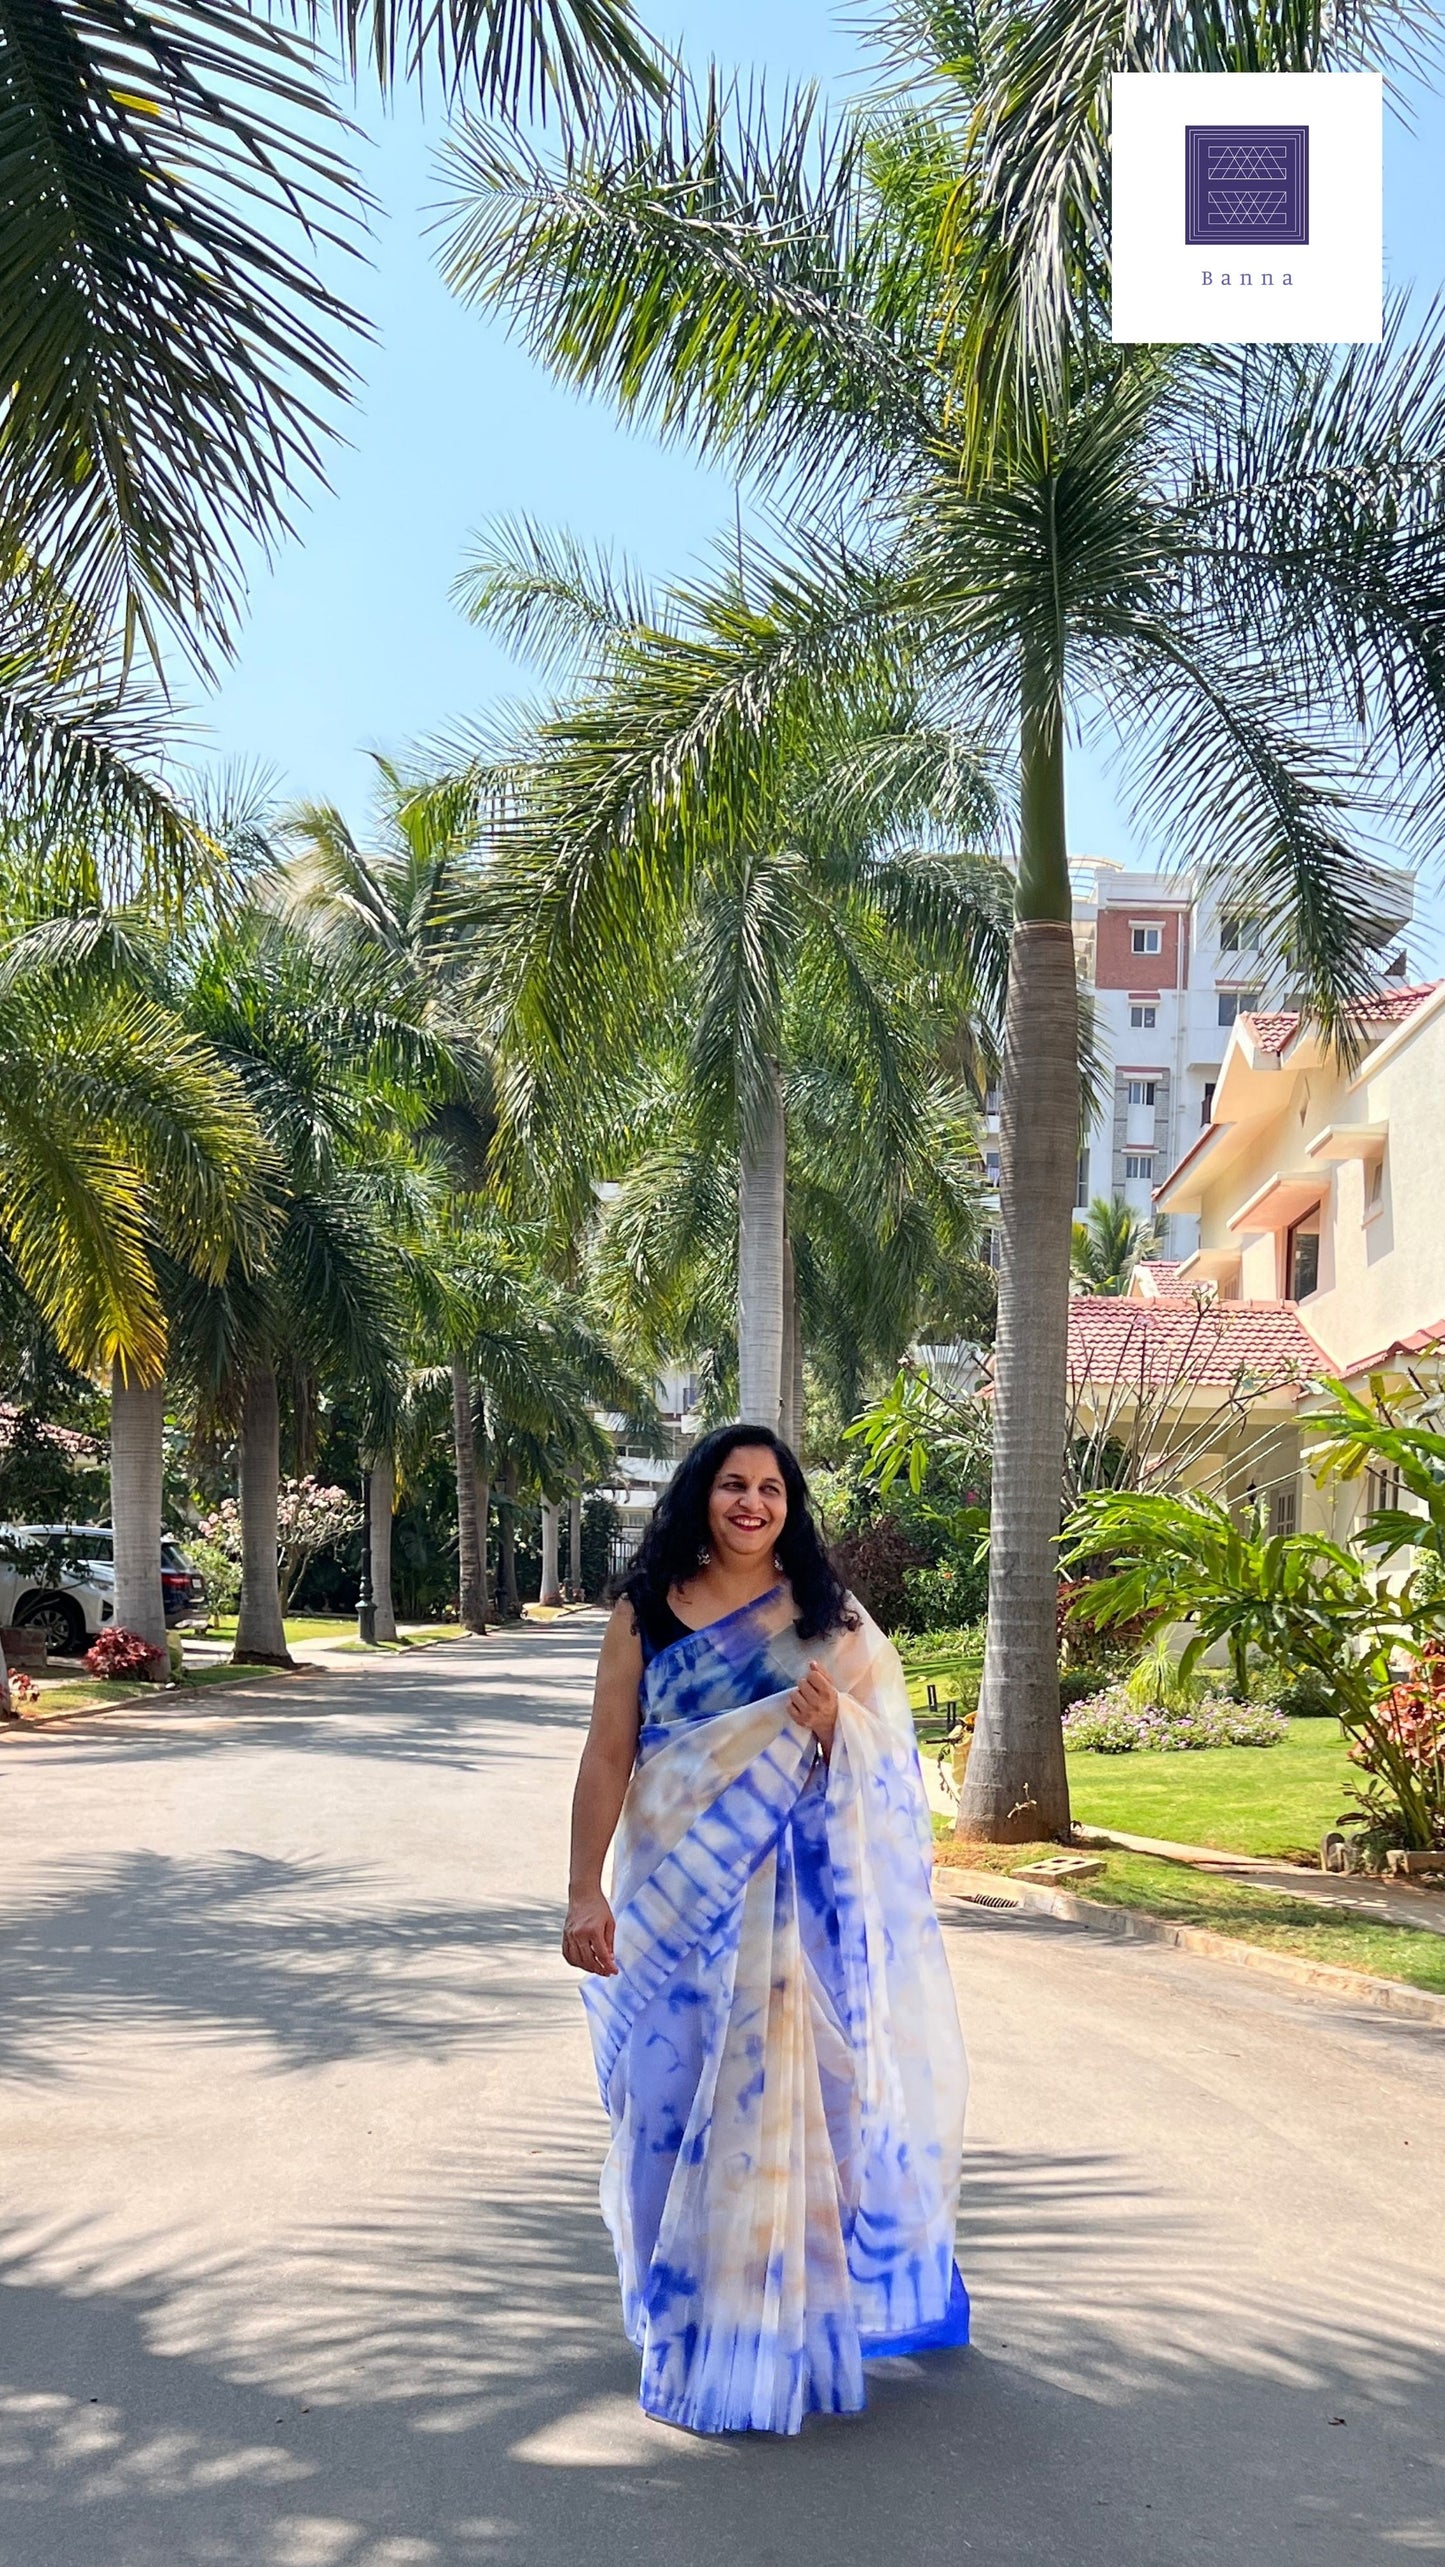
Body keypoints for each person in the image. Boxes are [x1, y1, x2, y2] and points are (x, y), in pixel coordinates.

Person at [563, 1421, 969, 2437]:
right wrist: (582, 1889)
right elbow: (609, 1755)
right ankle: (679, 2318)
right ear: (699, 1494)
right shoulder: (645, 1612)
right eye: (733, 1484)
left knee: (805, 2108)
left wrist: (837, 1725)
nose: (751, 1503)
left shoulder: (826, 1617)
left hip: (798, 1908)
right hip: (670, 1901)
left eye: (771, 1489)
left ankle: (790, 2320)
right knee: (658, 2103)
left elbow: (887, 1763)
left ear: (790, 1507)